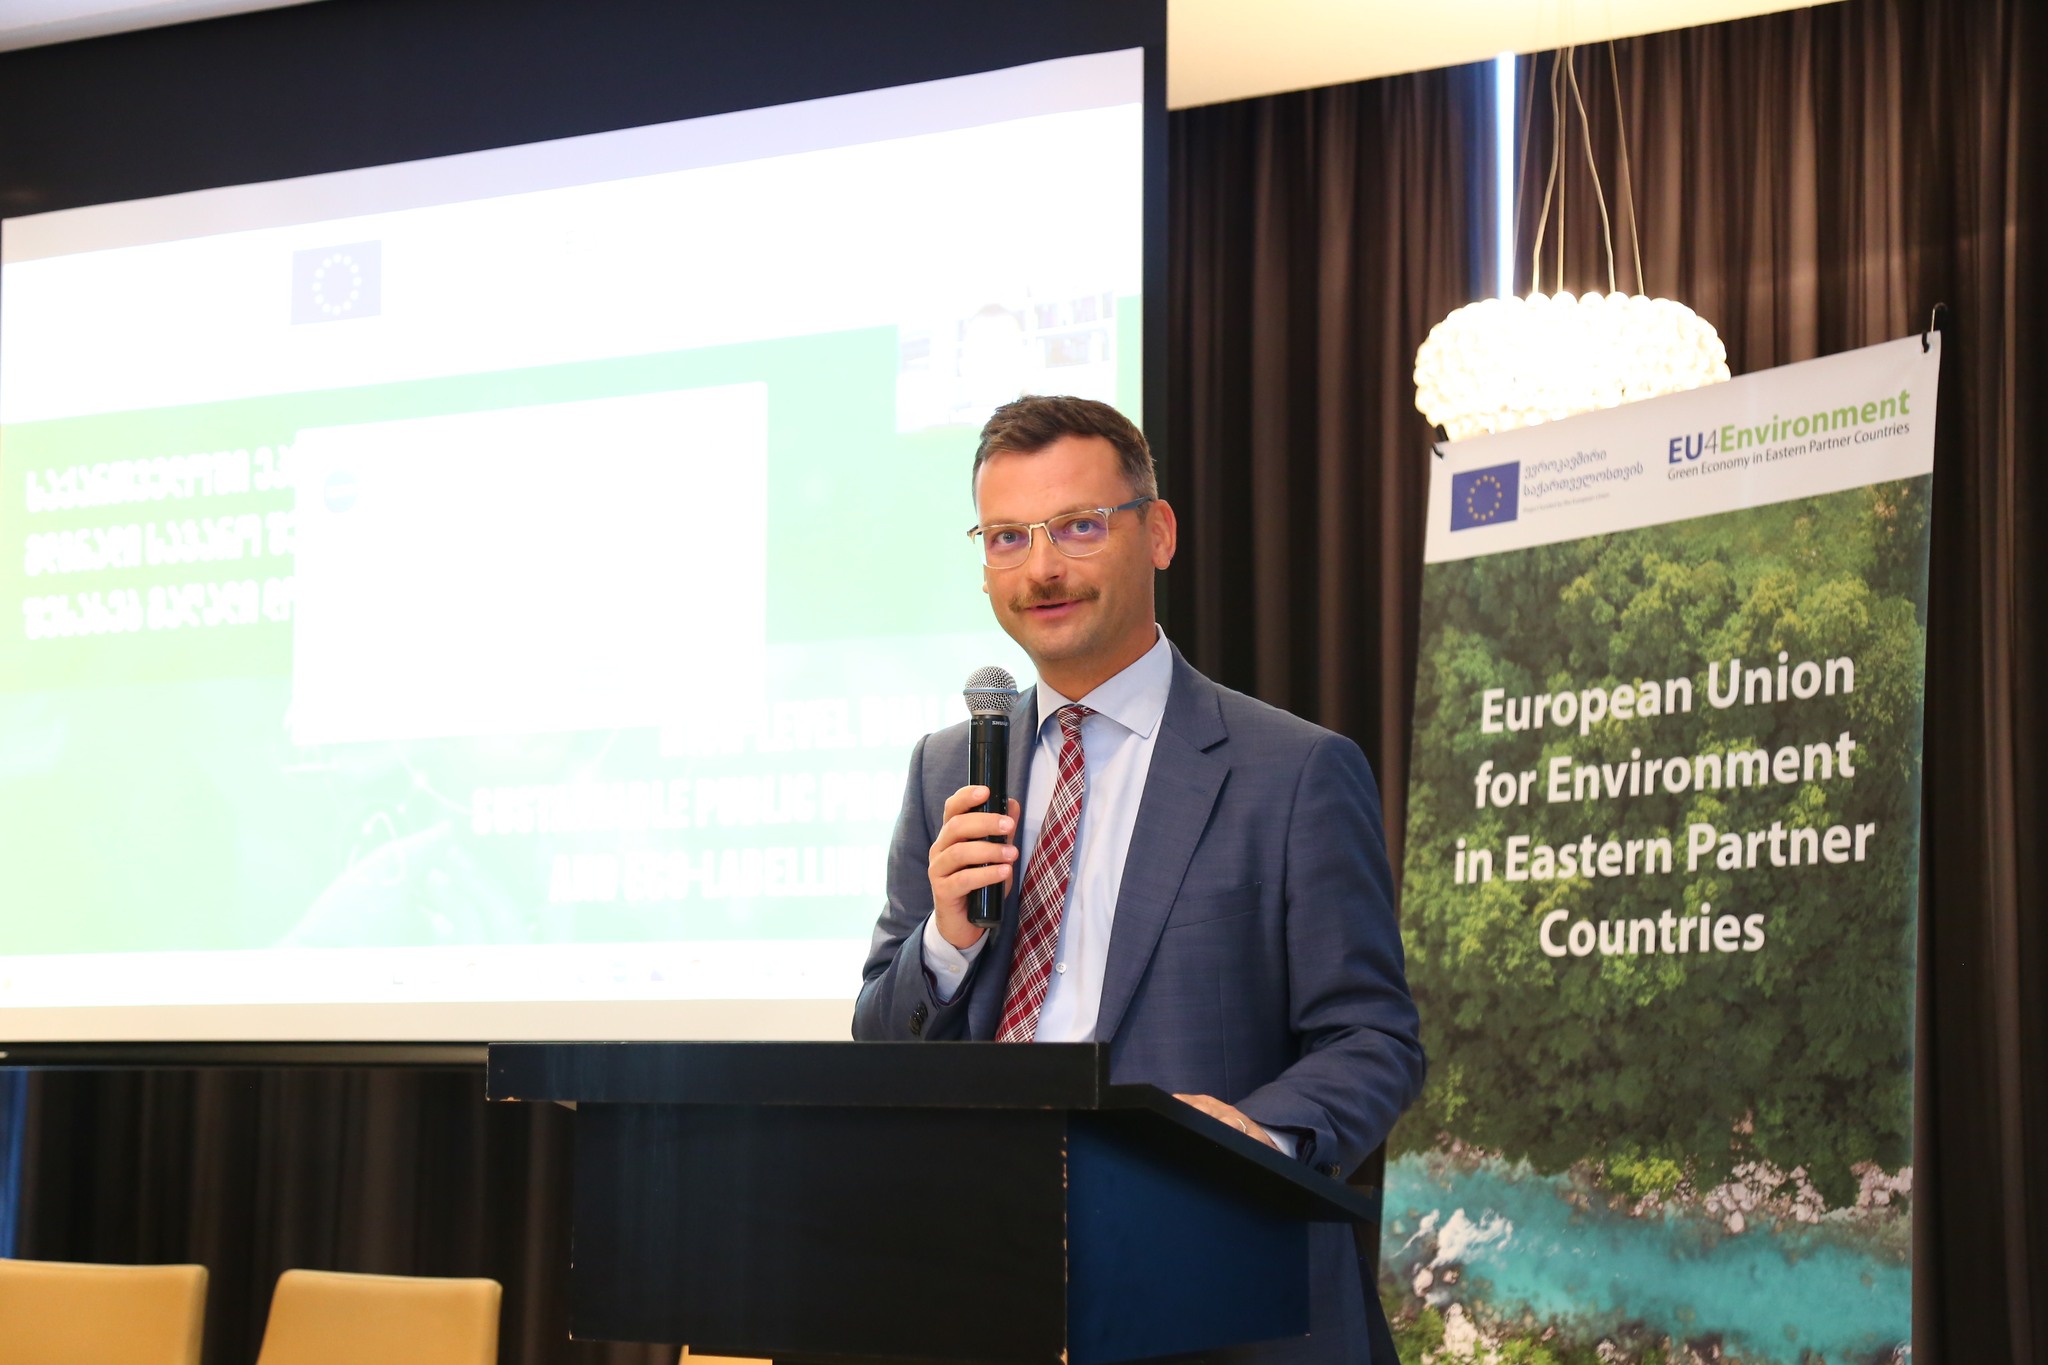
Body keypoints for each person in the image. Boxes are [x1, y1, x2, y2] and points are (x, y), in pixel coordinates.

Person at [853, 394, 1424, 1364]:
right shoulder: (947, 766)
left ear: (1156, 532)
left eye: (1077, 526)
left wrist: (1253, 1137)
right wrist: (944, 941)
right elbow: (878, 1038)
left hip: (1215, 1283)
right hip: (984, 1277)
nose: (1041, 568)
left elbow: (1372, 1038)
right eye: (1007, 538)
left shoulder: (1291, 770)